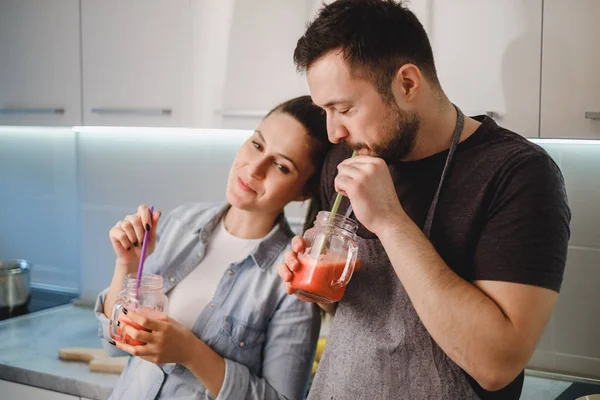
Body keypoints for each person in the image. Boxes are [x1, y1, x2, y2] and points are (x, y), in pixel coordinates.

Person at [278, 1, 571, 399]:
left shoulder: (518, 175)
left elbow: (495, 364)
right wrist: (318, 283)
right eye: (324, 111)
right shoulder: (344, 159)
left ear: (408, 84)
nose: (333, 132)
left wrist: (390, 220)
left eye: (344, 108)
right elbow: (357, 315)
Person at [94, 95, 332, 399]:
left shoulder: (291, 279)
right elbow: (113, 344)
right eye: (257, 145)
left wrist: (191, 353)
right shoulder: (180, 223)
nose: (255, 168)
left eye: (281, 166)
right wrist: (127, 264)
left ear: (303, 193)